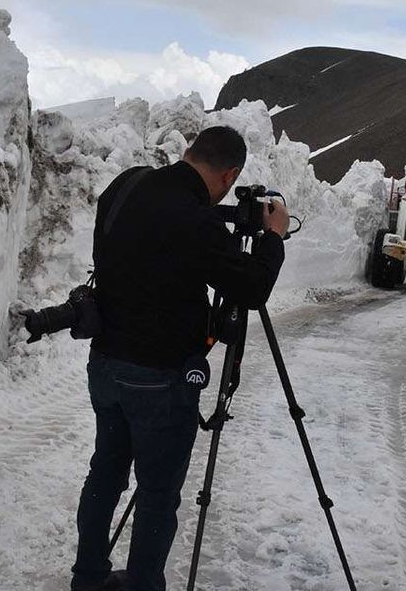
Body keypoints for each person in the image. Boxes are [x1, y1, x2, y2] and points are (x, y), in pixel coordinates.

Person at [70, 126, 291, 591]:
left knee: (106, 472)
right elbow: (250, 288)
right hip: (159, 379)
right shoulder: (195, 220)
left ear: (189, 151)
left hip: (105, 363)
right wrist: (272, 238)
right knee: (156, 494)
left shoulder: (125, 185)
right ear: (230, 175)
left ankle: (87, 577)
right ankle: (143, 584)